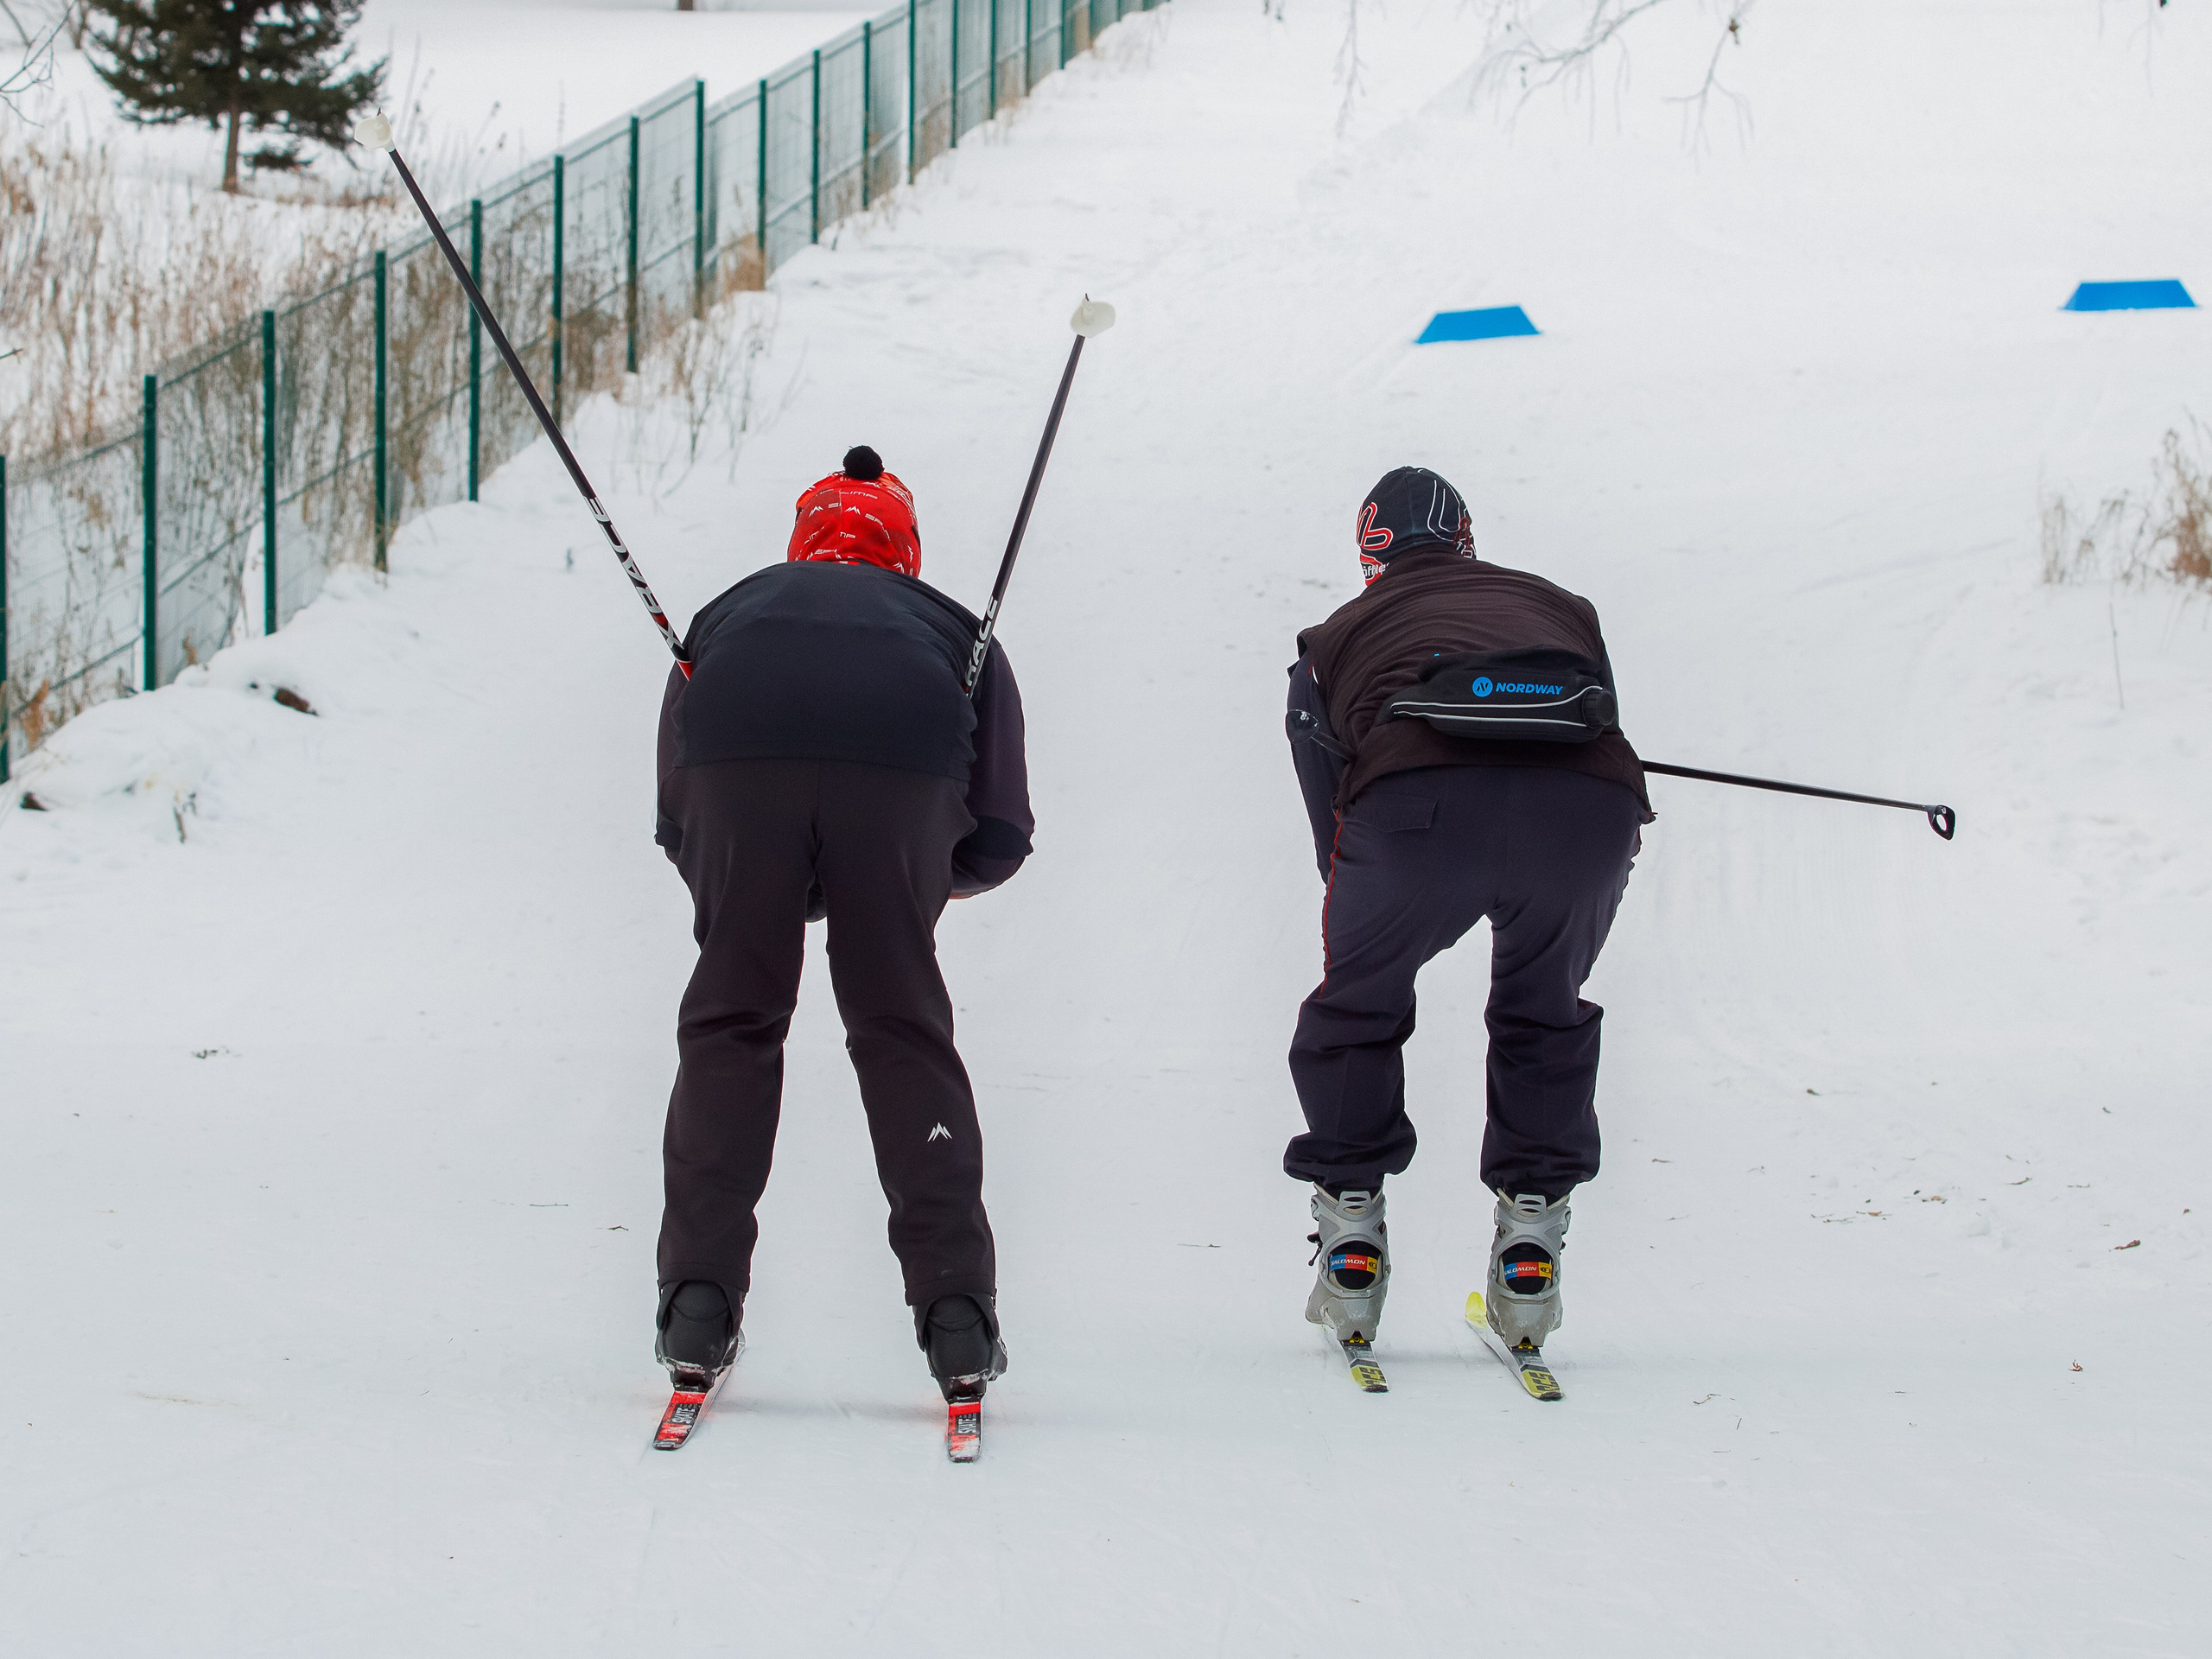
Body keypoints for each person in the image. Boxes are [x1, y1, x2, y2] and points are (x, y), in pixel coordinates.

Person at [651, 446, 1033, 1407]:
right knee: (901, 1027)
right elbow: (998, 836)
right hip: (905, 766)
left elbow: (677, 819)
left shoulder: (731, 610)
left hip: (734, 753)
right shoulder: (953, 628)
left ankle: (697, 1299)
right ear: (903, 547)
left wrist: (784, 882)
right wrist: (890, 885)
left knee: (732, 1020)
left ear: (802, 537)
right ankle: (958, 1315)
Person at [1282, 466, 1652, 1364]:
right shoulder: (1563, 607)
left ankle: (1352, 1241)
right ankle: (1529, 1249)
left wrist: (1369, 880)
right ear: (1468, 536)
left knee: (1356, 1008)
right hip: (1586, 810)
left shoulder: (1333, 637)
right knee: (1544, 1009)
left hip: (1414, 814)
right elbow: (1600, 718)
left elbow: (1324, 792)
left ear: (1371, 553)